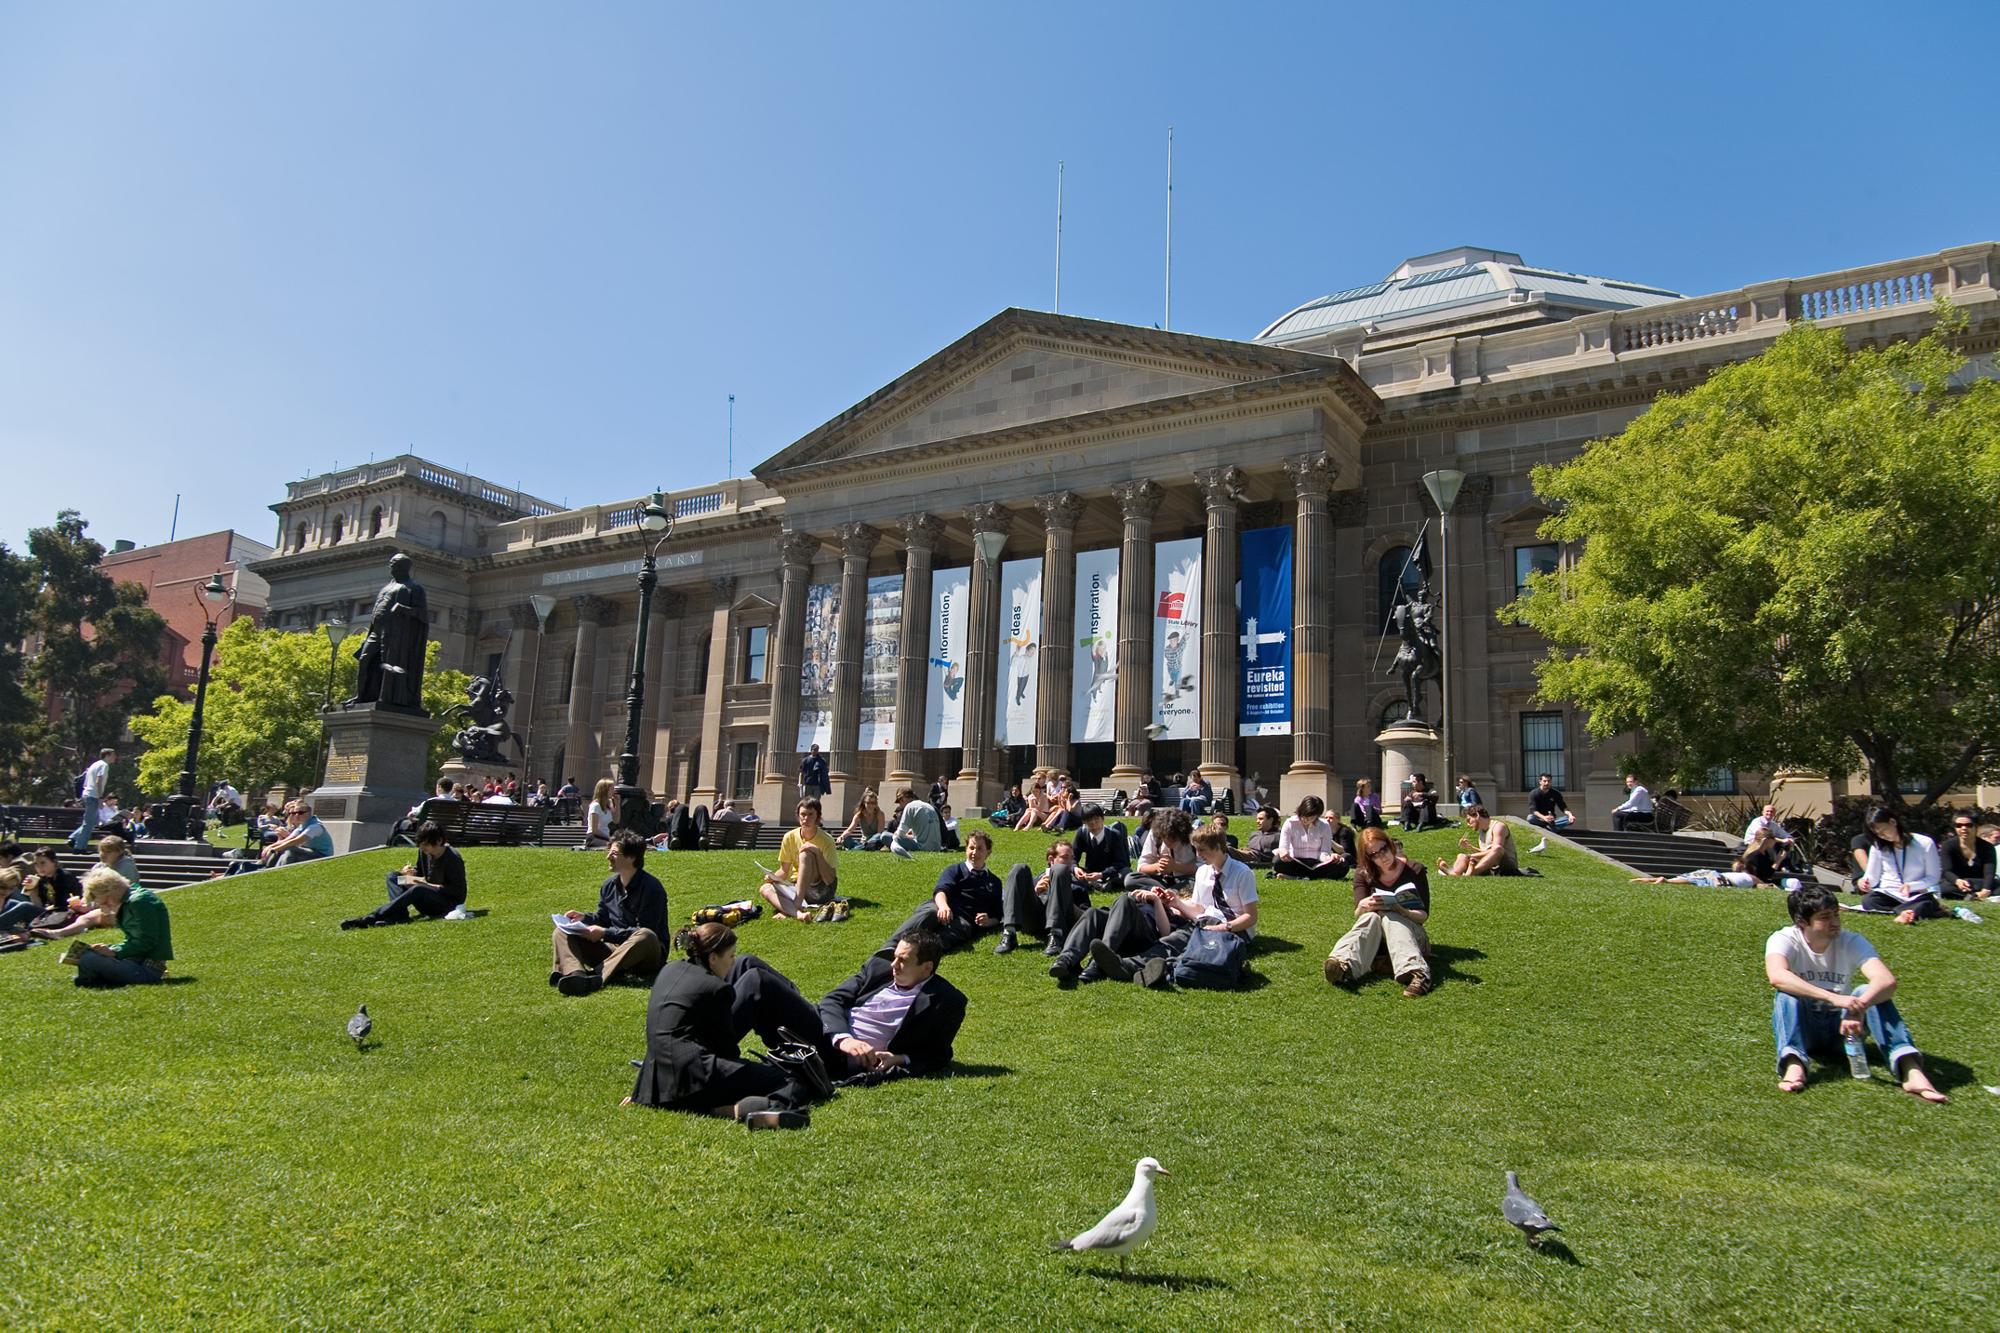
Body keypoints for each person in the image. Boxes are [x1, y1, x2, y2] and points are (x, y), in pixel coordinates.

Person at [1765, 883, 1946, 1102]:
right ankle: (1794, 1063)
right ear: (1802, 922)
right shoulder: (1784, 939)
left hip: (1845, 1029)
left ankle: (1909, 1068)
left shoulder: (1850, 940)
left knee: (1866, 990)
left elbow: (1886, 981)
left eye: (1835, 914)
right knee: (1786, 994)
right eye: (1825, 917)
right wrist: (1835, 998)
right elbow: (1777, 976)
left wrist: (1859, 1006)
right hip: (1806, 1027)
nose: (1835, 922)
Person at [625, 922, 813, 1129]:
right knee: (791, 1082)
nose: (734, 963)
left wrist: (640, 1093)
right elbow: (727, 1051)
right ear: (713, 958)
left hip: (656, 1077)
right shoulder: (717, 989)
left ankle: (698, 1104)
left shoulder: (669, 970)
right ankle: (742, 1110)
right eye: (731, 956)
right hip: (697, 1075)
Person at [1084, 825, 1259, 987]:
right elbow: (1198, 909)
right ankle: (1123, 966)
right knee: (1167, 943)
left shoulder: (1242, 873)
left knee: (1193, 952)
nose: (1198, 855)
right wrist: (1176, 902)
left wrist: (1223, 927)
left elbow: (1251, 917)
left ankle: (1148, 969)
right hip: (1204, 923)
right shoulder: (1203, 872)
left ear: (1218, 847)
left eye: (1202, 850)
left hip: (1233, 929)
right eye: (1196, 849)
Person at [818, 929, 967, 1079]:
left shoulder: (946, 1000)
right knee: (792, 998)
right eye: (895, 957)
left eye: (903, 960)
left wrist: (898, 1058)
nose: (893, 965)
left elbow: (938, 1054)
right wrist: (844, 1039)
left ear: (927, 967)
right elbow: (833, 999)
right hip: (823, 1034)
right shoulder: (879, 967)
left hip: (843, 1060)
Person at [551, 831, 667, 995]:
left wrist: (604, 933)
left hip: (645, 954)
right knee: (561, 931)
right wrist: (584, 919)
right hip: (614, 949)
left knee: (645, 935)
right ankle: (575, 974)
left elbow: (644, 930)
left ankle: (597, 976)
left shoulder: (652, 888)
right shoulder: (609, 886)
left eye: (614, 854)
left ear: (631, 858)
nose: (608, 857)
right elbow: (603, 918)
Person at [1324, 827, 1434, 997]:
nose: (1382, 856)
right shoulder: (1363, 874)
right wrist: (1363, 905)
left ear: (1390, 845)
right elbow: (1358, 914)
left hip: (1411, 934)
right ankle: (1342, 965)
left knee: (1390, 917)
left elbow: (1423, 916)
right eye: (1374, 854)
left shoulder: (1414, 869)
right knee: (1370, 917)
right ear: (1368, 858)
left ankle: (1418, 974)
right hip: (1377, 938)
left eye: (1383, 849)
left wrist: (1403, 911)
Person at [884, 829, 1001, 952]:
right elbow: (941, 890)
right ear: (966, 849)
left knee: (958, 931)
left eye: (979, 849)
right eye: (971, 848)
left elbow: (998, 915)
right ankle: (890, 947)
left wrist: (989, 921)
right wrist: (944, 906)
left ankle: (915, 953)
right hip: (941, 907)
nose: (974, 852)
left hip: (964, 920)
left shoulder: (994, 882)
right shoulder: (955, 870)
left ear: (988, 852)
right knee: (929, 913)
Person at [341, 822, 467, 928]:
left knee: (418, 888)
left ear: (439, 841)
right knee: (394, 877)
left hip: (445, 903)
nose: (423, 849)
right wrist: (410, 873)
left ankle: (370, 918)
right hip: (424, 893)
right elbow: (421, 874)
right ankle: (399, 915)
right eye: (421, 845)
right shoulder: (424, 852)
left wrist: (427, 885)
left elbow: (458, 893)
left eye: (426, 845)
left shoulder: (453, 858)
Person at [62, 867, 172, 988]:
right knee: (88, 954)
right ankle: (93, 978)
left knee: (89, 959)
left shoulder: (140, 902)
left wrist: (114, 951)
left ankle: (89, 979)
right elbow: (134, 940)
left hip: (148, 969)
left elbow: (147, 941)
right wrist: (109, 949)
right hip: (135, 961)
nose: (106, 906)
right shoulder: (130, 900)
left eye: (106, 901)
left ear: (114, 888)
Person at [996, 840, 1091, 956]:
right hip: (1034, 919)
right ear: (1051, 860)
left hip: (1061, 920)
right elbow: (1013, 899)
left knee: (1059, 870)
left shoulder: (1077, 885)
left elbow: (1087, 916)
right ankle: (1009, 933)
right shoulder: (1035, 880)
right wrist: (1035, 890)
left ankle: (1056, 936)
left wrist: (1066, 898)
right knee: (1019, 868)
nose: (1070, 862)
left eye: (1071, 858)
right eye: (1065, 858)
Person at [1854, 806, 1944, 923]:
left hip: (1916, 894)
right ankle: (1906, 912)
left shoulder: (1925, 843)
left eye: (1883, 831)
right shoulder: (1878, 846)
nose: (1882, 836)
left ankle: (1906, 911)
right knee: (1869, 900)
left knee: (1926, 902)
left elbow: (1933, 877)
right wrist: (1864, 882)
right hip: (1889, 894)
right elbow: (1872, 878)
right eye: (1877, 834)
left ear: (1893, 822)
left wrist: (1911, 886)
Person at [760, 800, 839, 921]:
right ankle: (798, 914)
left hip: (820, 889)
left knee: (805, 854)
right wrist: (771, 877)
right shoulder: (789, 837)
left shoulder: (826, 840)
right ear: (798, 816)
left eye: (810, 814)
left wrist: (817, 853)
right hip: (796, 886)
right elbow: (784, 871)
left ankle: (794, 906)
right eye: (803, 814)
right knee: (765, 888)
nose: (806, 818)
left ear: (818, 816)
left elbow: (829, 879)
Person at [224, 801, 333, 875]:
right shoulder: (303, 825)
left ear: (309, 813)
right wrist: (271, 847)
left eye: (300, 813)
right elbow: (288, 839)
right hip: (309, 852)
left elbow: (296, 841)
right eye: (294, 813)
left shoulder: (315, 826)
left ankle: (275, 871)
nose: (296, 815)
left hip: (321, 855)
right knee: (285, 849)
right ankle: (265, 868)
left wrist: (276, 848)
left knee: (289, 849)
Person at [1271, 796, 1352, 880]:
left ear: (1317, 816)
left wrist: (1331, 858)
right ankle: (1312, 877)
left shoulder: (1324, 825)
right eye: (1304, 815)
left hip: (1317, 862)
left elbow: (1324, 852)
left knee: (1343, 865)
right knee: (1277, 861)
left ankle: (1298, 877)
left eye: (1311, 817)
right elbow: (1283, 847)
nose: (1305, 819)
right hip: (1295, 861)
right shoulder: (1290, 823)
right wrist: (1284, 852)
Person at [1124, 809, 1198, 893]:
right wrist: (1157, 867)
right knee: (1130, 879)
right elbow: (1141, 867)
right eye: (1166, 838)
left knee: (1197, 881)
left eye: (1174, 839)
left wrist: (1175, 866)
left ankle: (1166, 892)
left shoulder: (1194, 836)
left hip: (1187, 878)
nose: (1169, 842)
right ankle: (1171, 892)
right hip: (1161, 879)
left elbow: (1203, 867)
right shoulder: (1155, 834)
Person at [1437, 805, 1519, 877]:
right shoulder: (1481, 831)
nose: (1468, 824)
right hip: (1490, 866)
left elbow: (1496, 851)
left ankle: (1471, 873)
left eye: (1469, 820)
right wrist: (1470, 848)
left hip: (1506, 866)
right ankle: (1455, 873)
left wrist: (1471, 856)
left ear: (1477, 815)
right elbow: (1487, 853)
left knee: (1498, 848)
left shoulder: (1498, 827)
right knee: (1462, 856)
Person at [1070, 803, 1130, 894]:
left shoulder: (1114, 835)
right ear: (1084, 823)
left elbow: (1121, 862)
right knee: (1066, 870)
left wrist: (1102, 874)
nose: (1093, 824)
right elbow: (1072, 856)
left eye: (1096, 820)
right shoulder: (1082, 833)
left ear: (1103, 819)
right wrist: (1075, 868)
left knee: (1126, 873)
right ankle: (1096, 883)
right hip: (1090, 872)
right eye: (1089, 821)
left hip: (1112, 872)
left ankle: (1096, 883)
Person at [867, 787, 941, 855]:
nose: (900, 806)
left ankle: (868, 844)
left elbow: (900, 833)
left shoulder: (909, 807)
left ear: (903, 799)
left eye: (900, 802)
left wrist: (899, 835)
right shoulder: (929, 806)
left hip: (922, 847)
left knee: (884, 836)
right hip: (936, 847)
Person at [68, 747, 116, 851]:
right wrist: (100, 797)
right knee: (89, 823)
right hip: (93, 796)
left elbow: (85, 780)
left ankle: (73, 838)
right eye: (113, 755)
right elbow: (99, 780)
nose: (115, 757)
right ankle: (79, 847)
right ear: (107, 755)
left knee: (94, 821)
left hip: (87, 794)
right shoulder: (104, 765)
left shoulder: (94, 764)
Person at [1941, 814, 1994, 899]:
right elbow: (1947, 871)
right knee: (1945, 889)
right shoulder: (1948, 845)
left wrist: (1986, 889)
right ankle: (1973, 896)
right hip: (1958, 884)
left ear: (1976, 826)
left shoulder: (1987, 847)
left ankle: (1972, 896)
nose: (1964, 828)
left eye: (1968, 825)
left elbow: (1989, 873)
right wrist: (1958, 881)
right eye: (1959, 825)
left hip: (1980, 882)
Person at [583, 778, 614, 848]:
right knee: (613, 846)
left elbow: (617, 820)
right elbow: (594, 830)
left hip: (606, 836)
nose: (614, 791)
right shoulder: (595, 806)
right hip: (594, 837)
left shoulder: (608, 805)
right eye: (612, 789)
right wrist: (609, 838)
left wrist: (617, 803)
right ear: (604, 790)